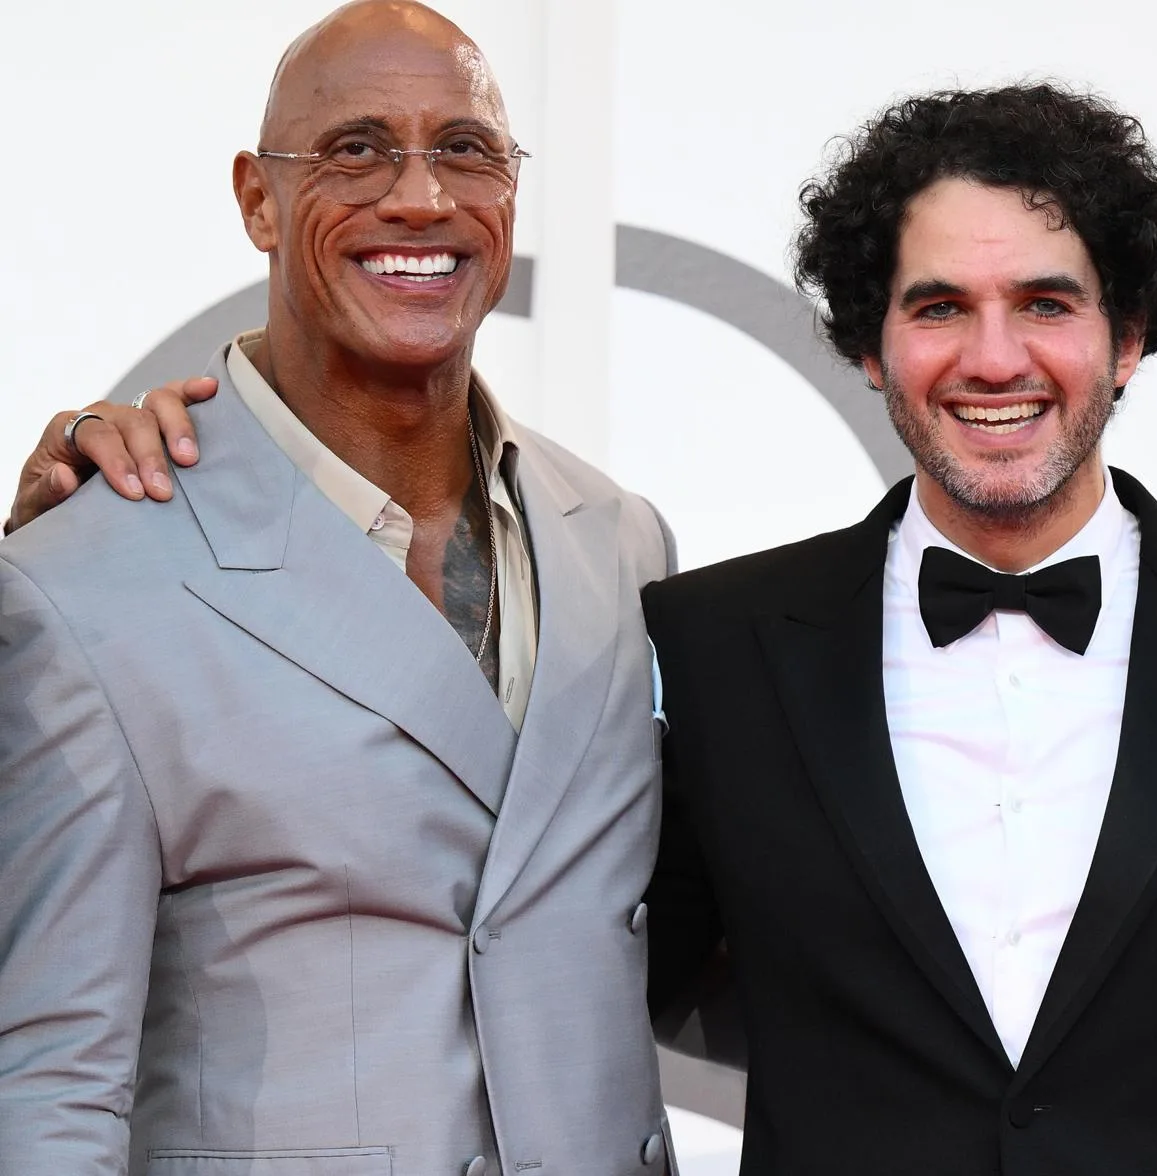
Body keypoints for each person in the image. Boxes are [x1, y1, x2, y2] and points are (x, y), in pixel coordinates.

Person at [11, 83, 1157, 1173]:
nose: (994, 356)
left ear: (1133, 333)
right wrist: (131, 485)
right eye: (936, 306)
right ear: (863, 341)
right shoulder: (713, 635)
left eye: (1050, 302)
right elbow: (599, 941)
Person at [0, 4, 676, 1173]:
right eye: (356, 150)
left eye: (465, 149)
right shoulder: (81, 584)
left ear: (511, 193)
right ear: (257, 198)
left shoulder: (623, 546)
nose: (420, 199)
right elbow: (48, 1084)